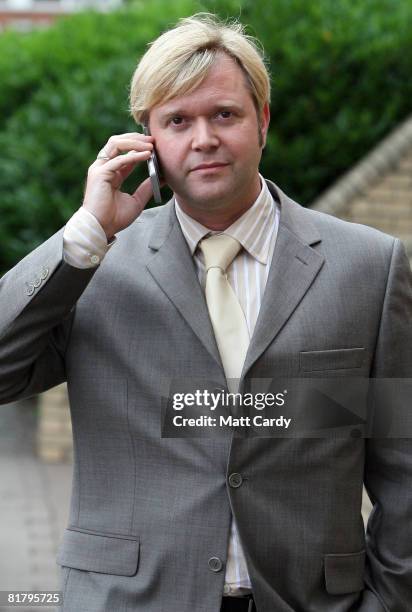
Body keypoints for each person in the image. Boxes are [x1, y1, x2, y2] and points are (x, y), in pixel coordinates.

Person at [0, 13, 411, 612]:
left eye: (224, 114)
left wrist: (390, 599)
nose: (203, 139)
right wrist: (84, 236)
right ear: (147, 140)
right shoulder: (93, 269)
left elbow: (402, 456)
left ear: (262, 120)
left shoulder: (368, 267)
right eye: (177, 121)